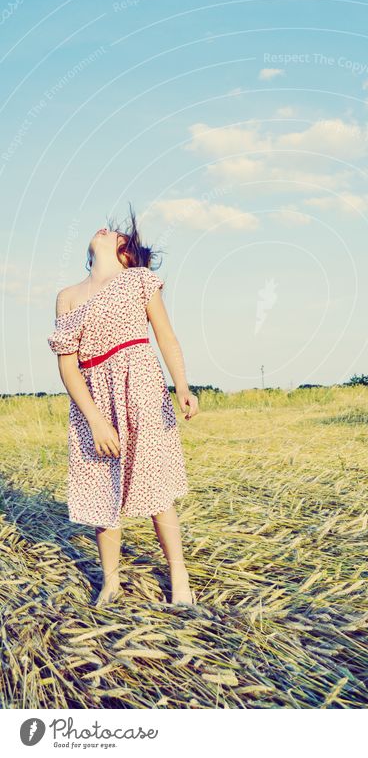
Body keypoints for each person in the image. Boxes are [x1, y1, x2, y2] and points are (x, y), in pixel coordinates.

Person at [47, 206, 199, 608]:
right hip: (93, 399)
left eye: (116, 234)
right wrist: (95, 420)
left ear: (127, 253)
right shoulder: (66, 297)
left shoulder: (138, 280)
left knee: (153, 484)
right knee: (101, 487)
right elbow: (68, 367)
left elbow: (166, 337)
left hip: (141, 390)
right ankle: (111, 581)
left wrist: (181, 384)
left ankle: (179, 575)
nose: (106, 229)